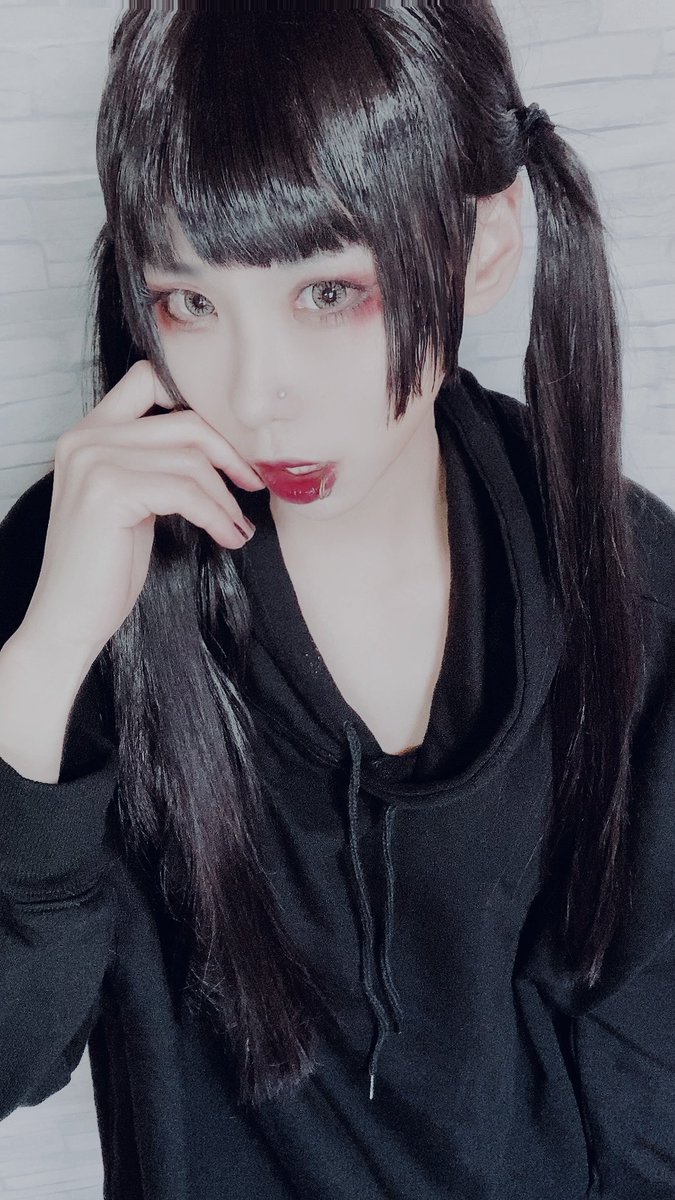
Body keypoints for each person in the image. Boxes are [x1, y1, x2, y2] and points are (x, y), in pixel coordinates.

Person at [0, 7, 673, 1199]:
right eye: (190, 303)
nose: (258, 396)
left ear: (481, 244)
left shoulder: (624, 578)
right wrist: (45, 660)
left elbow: (652, 1071)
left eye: (325, 293)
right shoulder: (79, 568)